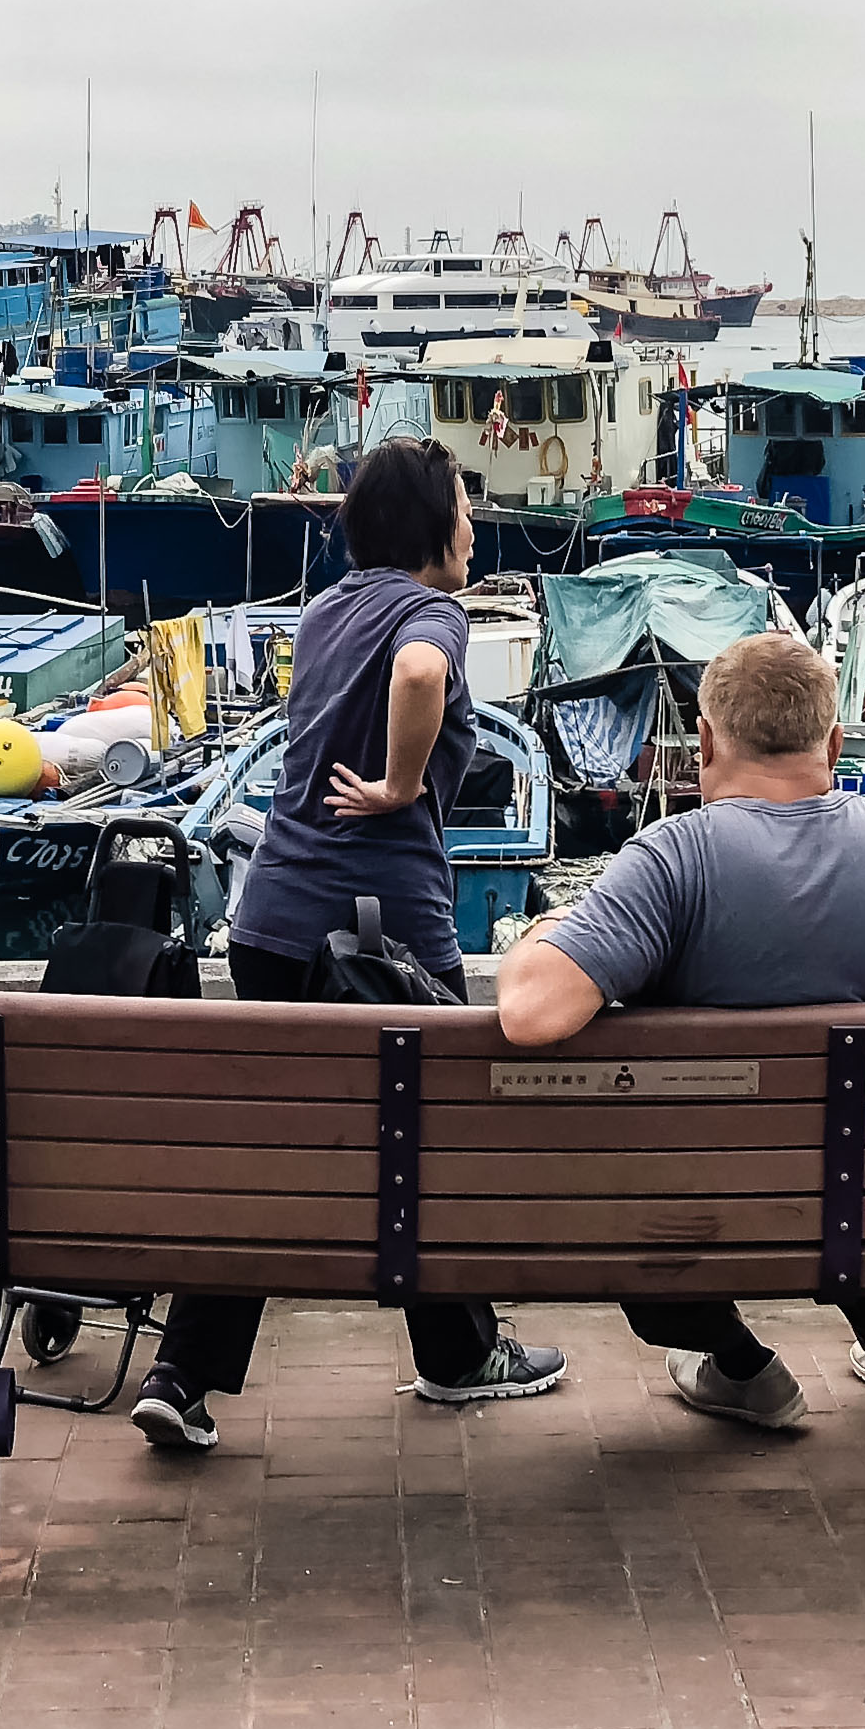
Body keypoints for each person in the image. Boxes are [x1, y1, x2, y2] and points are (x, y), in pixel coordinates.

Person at [496, 634, 865, 1431]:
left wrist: (548, 930)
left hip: (708, 1217)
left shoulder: (672, 859)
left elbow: (532, 1014)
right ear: (833, 741)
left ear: (706, 742)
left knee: (632, 1179)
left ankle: (739, 1367)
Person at [132, 435, 566, 1451]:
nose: (473, 524)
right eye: (462, 505)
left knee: (274, 1148)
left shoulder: (326, 609)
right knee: (432, 1137)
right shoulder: (433, 611)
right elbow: (418, 672)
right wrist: (404, 785)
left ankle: (184, 1369)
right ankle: (460, 1353)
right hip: (382, 932)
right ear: (429, 526)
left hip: (272, 920)